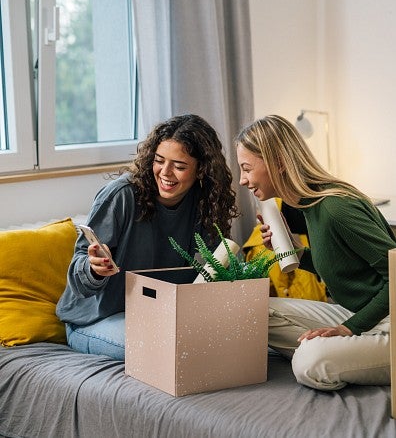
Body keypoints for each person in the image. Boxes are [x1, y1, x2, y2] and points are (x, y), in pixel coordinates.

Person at [56, 114, 239, 360]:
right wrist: (94, 269)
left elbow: (221, 264)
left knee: (224, 344)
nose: (165, 172)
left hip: (158, 315)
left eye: (180, 166)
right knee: (168, 351)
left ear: (201, 171)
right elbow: (79, 267)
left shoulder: (204, 203)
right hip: (95, 319)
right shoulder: (122, 195)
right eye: (159, 161)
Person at [236, 114, 396, 391]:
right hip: (361, 314)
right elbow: (337, 264)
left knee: (309, 363)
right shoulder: (310, 205)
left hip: (388, 321)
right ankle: (345, 352)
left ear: (279, 163)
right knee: (254, 310)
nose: (242, 180)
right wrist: (293, 252)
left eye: (247, 169)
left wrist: (348, 329)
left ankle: (337, 353)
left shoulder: (336, 208)